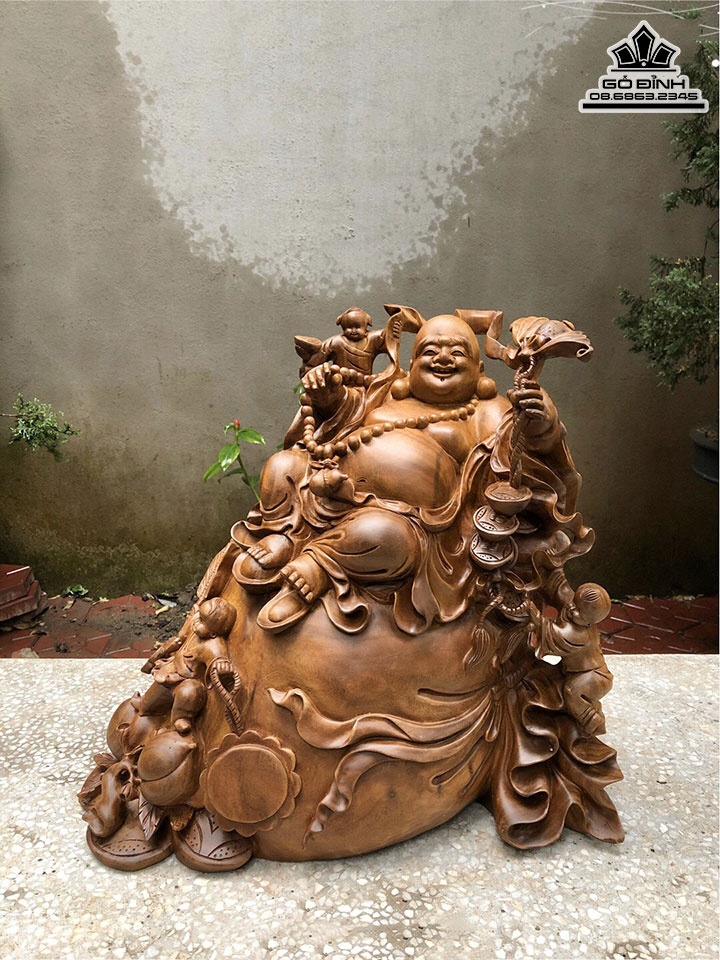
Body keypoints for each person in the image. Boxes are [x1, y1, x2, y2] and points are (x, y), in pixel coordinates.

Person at [233, 312, 571, 635]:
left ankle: (318, 565)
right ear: (410, 365)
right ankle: (283, 533)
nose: (443, 358)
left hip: (415, 520)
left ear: (479, 369)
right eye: (430, 351)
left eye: (457, 352)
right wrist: (326, 395)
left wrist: (543, 425)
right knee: (282, 466)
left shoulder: (489, 411)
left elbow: (522, 461)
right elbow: (341, 415)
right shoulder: (385, 392)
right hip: (329, 485)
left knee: (387, 537)